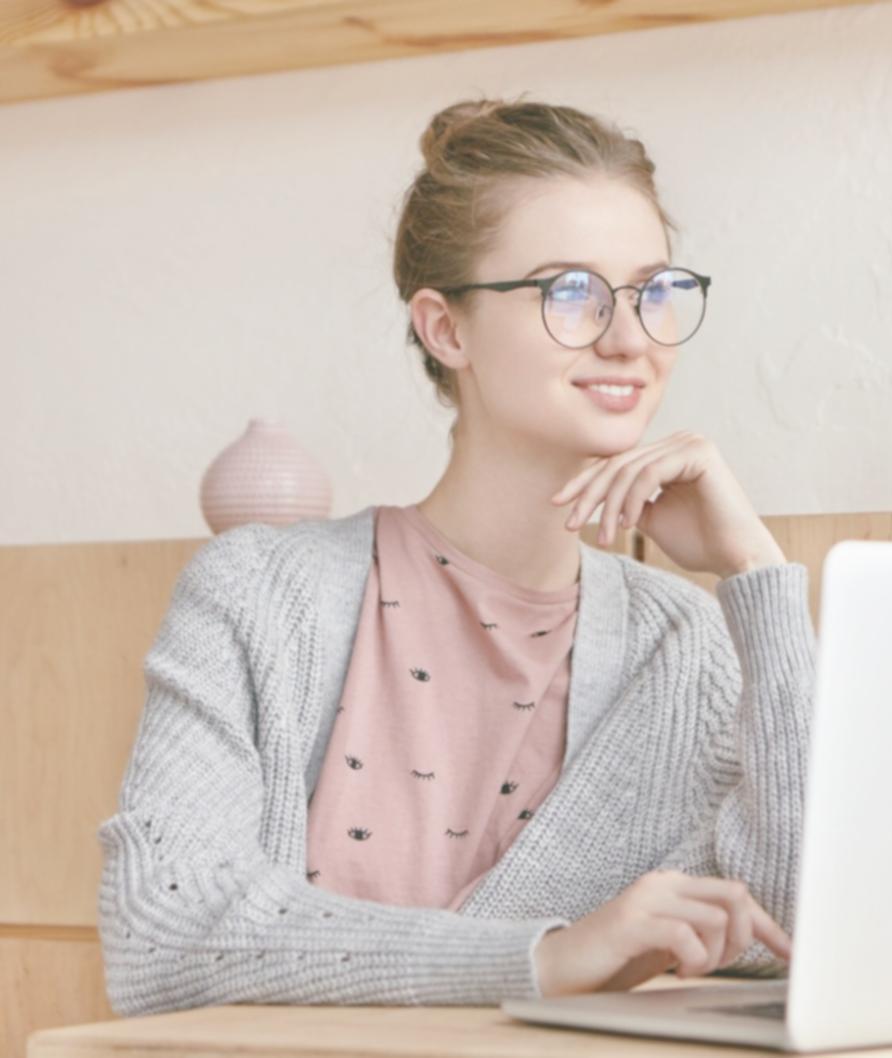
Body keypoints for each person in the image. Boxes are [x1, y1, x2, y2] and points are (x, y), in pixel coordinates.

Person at [95, 96, 818, 1017]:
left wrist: (755, 577)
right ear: (446, 329)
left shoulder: (680, 643)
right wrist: (546, 957)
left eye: (653, 291)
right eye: (571, 293)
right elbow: (164, 932)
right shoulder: (257, 596)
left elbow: (793, 925)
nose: (631, 338)